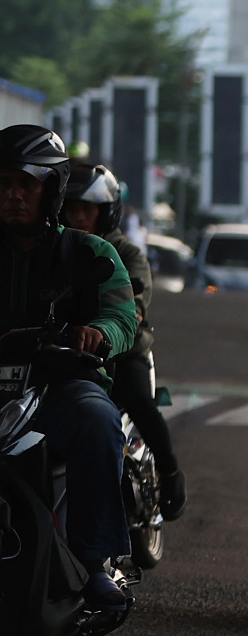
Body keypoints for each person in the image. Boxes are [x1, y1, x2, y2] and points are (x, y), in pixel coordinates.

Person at [0, 124, 137, 609]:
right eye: (4, 184)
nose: (13, 195)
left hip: (59, 385)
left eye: (26, 184)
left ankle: (95, 561)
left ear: (51, 189)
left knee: (98, 421)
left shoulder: (88, 252)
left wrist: (98, 333)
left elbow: (123, 315)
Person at [61, 163, 186, 521]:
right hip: (63, 348)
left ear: (106, 212)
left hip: (122, 348)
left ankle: (170, 471)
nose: (79, 216)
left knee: (135, 396)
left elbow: (134, 302)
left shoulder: (126, 253)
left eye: (87, 208)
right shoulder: (55, 249)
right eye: (72, 208)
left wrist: (125, 316)